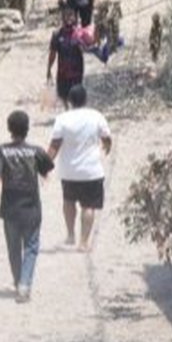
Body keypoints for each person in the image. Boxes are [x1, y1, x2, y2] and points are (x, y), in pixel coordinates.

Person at [0, 110, 54, 302]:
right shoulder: (36, 151)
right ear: (27, 129)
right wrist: (43, 175)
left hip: (10, 209)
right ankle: (24, 285)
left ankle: (18, 281)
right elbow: (47, 168)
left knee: (13, 247)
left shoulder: (0, 151)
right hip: (31, 208)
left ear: (9, 129)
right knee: (31, 246)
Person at [47, 85, 112, 251]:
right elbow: (106, 137)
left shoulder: (62, 119)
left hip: (69, 171)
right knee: (88, 206)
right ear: (85, 99)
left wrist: (45, 164)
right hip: (91, 171)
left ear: (69, 100)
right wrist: (107, 147)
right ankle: (83, 242)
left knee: (68, 202)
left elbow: (55, 145)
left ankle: (70, 235)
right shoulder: (96, 116)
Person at [47, 6, 85, 108]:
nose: (68, 18)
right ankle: (67, 112)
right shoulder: (57, 34)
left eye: (71, 15)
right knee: (63, 97)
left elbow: (88, 47)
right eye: (66, 15)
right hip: (63, 73)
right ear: (62, 17)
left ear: (75, 18)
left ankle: (74, 114)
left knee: (76, 98)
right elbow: (53, 53)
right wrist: (49, 69)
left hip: (77, 72)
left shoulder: (80, 33)